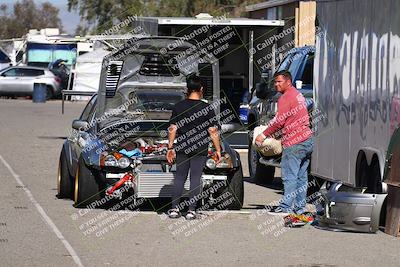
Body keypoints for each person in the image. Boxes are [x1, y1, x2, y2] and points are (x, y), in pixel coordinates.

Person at [255, 70, 313, 215]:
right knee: (301, 176)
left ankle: (285, 206)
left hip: (294, 142)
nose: (276, 84)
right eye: (275, 82)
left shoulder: (286, 97)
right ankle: (300, 208)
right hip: (307, 139)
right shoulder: (298, 95)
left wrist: (263, 135)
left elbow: (280, 121)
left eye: (279, 81)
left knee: (289, 176)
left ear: (288, 81)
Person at [166, 75, 221, 220]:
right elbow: (212, 131)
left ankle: (174, 209)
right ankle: (191, 211)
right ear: (201, 89)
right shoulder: (206, 107)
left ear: (187, 89)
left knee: (179, 177)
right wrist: (218, 150)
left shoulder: (179, 106)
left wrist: (170, 148)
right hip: (199, 147)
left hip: (182, 146)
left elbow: (172, 128)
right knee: (195, 178)